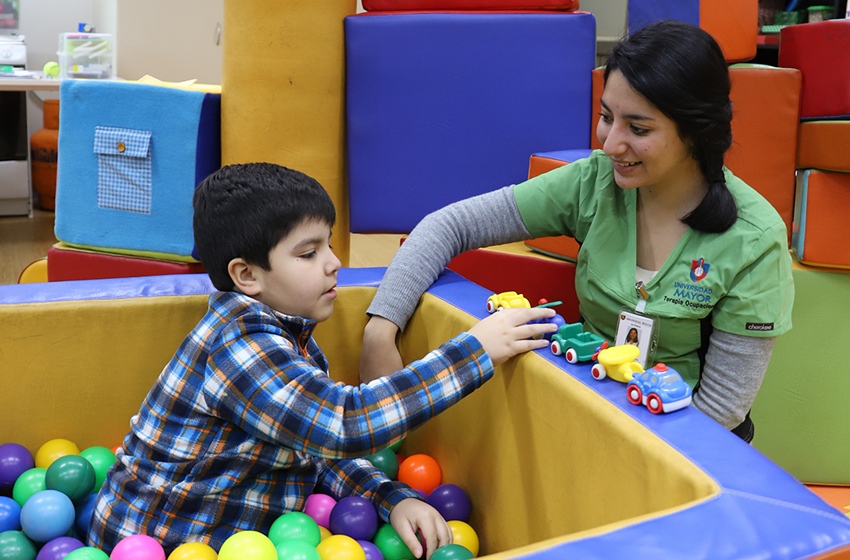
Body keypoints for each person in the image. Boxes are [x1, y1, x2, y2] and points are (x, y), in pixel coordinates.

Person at [87, 163, 557, 556]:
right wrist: (474, 351)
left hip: (245, 539)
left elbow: (317, 451)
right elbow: (345, 426)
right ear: (247, 274)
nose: (333, 262)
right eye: (309, 253)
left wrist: (391, 498)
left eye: (329, 244)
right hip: (161, 540)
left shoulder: (291, 337)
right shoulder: (240, 347)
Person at [360, 20, 794, 444]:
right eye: (607, 117)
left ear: (696, 132)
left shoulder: (753, 237)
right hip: (590, 415)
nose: (610, 143)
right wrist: (380, 331)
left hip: (690, 449)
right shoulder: (593, 183)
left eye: (638, 129)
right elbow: (448, 225)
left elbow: (721, 410)